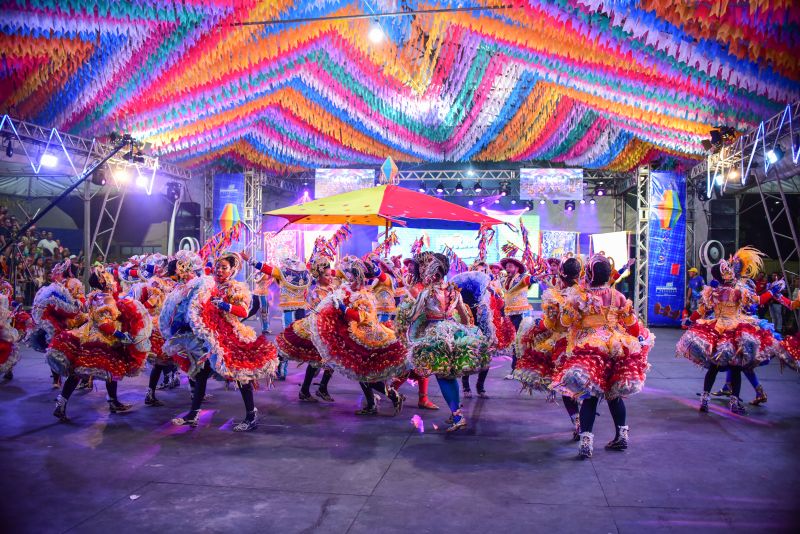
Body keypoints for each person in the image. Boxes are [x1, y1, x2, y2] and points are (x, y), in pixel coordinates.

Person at [551, 253, 653, 459]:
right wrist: (638, 339)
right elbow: (632, 324)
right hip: (616, 347)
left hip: (589, 348)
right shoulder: (618, 296)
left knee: (590, 396)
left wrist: (563, 309)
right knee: (614, 395)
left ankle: (586, 443)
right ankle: (622, 436)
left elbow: (565, 322)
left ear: (588, 274)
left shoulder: (580, 296)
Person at [165, 252, 279, 432]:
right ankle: (194, 413)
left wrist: (225, 306)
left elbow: (243, 311)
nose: (219, 270)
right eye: (217, 267)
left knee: (240, 374)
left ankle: (251, 415)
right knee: (201, 372)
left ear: (233, 270)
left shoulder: (236, 288)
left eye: (224, 268)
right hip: (211, 334)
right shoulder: (207, 285)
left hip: (230, 334)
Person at [677, 247, 783, 416]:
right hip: (733, 330)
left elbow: (701, 311)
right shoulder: (737, 291)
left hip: (717, 330)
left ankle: (705, 400)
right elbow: (758, 300)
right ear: (725, 275)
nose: (731, 271)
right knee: (735, 368)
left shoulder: (714, 291)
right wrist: (772, 291)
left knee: (714, 366)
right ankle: (734, 402)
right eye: (727, 269)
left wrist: (690, 320)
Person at [310, 256, 408, 416]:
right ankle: (372, 404)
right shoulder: (353, 289)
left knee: (363, 374)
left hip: (367, 338)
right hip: (359, 335)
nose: (348, 277)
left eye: (351, 275)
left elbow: (362, 317)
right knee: (361, 373)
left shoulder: (365, 296)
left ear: (357, 276)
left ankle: (392, 396)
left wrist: (343, 308)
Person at [407, 252, 489, 431]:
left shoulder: (427, 293)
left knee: (443, 376)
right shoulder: (454, 291)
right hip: (454, 333)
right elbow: (465, 317)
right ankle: (455, 414)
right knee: (450, 376)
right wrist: (467, 334)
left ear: (434, 273)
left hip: (435, 336)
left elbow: (413, 316)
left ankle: (458, 416)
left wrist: (409, 328)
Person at [48, 291, 152, 420]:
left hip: (90, 336)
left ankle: (63, 403)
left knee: (102, 371)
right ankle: (63, 403)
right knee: (93, 370)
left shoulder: (97, 297)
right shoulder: (107, 300)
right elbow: (104, 325)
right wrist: (120, 335)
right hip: (100, 341)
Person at [515, 256, 584, 440]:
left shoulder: (557, 297)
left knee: (565, 385)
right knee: (584, 383)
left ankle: (577, 422)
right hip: (587, 344)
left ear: (561, 274)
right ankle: (585, 422)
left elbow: (550, 325)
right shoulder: (587, 294)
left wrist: (535, 329)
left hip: (561, 345)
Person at [275, 256, 337, 402]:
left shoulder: (332, 289)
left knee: (329, 360)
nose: (330, 278)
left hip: (331, 330)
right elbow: (317, 312)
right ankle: (308, 390)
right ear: (319, 276)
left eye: (330, 275)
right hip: (319, 330)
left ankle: (317, 388)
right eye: (326, 275)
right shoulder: (315, 293)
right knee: (319, 361)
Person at [244, 252, 311, 380]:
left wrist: (249, 259)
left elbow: (265, 268)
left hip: (291, 310)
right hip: (299, 309)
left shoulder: (282, 272)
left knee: (291, 339)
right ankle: (283, 368)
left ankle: (283, 369)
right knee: (296, 338)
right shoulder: (305, 272)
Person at [499, 257, 533, 379]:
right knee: (513, 341)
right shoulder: (505, 280)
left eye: (510, 266)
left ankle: (519, 368)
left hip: (521, 314)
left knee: (520, 341)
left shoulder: (522, 278)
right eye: (507, 266)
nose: (507, 269)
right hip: (509, 314)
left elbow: (530, 280)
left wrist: (534, 279)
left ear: (517, 268)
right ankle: (517, 368)